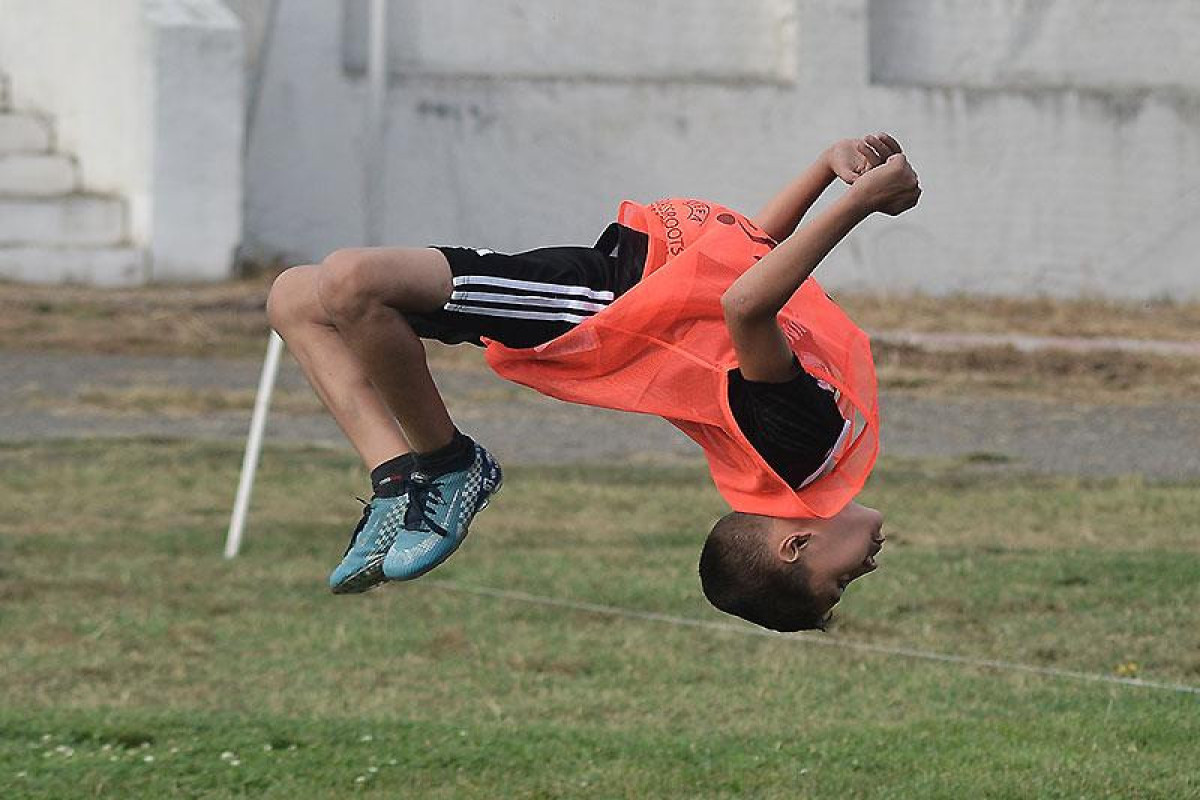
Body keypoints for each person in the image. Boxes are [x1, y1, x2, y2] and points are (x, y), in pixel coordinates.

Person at [266, 133, 921, 631]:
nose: (865, 569)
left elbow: (745, 304)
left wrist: (858, 202)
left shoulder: (800, 453)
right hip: (604, 292)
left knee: (351, 283)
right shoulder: (799, 459)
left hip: (599, 308)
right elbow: (740, 263)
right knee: (297, 299)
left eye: (840, 584)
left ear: (796, 545)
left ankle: (445, 464)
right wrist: (825, 170)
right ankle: (397, 480)